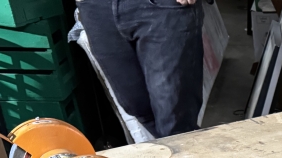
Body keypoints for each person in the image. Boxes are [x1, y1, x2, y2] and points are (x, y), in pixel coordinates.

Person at [77, 0, 205, 138]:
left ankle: (180, 146)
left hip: (161, 6)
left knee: (174, 116)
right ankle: (175, 146)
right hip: (96, 8)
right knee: (137, 106)